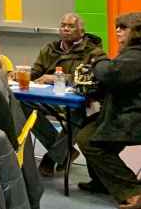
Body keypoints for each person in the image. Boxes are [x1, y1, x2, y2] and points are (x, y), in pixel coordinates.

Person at [75, 20, 141, 209]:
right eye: (117, 27)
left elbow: (111, 73)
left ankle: (133, 191)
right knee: (86, 129)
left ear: (136, 32)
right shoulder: (130, 54)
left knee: (91, 142)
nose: (118, 31)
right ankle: (102, 182)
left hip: (133, 117)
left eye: (123, 27)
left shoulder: (136, 56)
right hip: (124, 112)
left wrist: (99, 59)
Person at [29, 13, 106, 177]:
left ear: (81, 31)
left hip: (79, 101)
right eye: (63, 25)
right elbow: (35, 73)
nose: (65, 28)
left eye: (71, 26)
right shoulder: (49, 48)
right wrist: (18, 75)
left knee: (78, 111)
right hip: (49, 98)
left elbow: (92, 80)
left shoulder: (94, 52)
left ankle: (52, 157)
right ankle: (66, 151)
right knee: (23, 105)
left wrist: (59, 78)